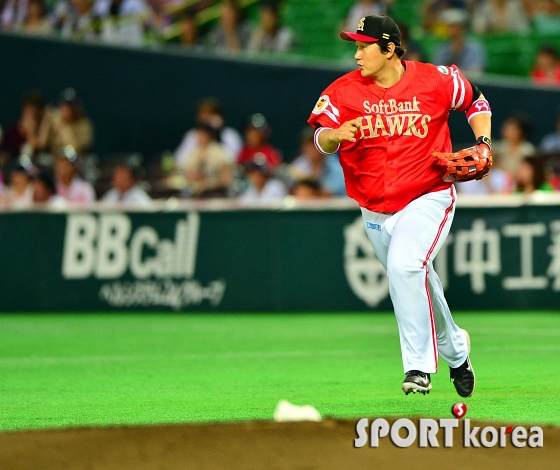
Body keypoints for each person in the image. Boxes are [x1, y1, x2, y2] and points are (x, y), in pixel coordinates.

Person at [308, 15, 492, 397]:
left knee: (405, 266)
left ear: (389, 48)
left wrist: (484, 142)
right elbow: (320, 136)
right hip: (374, 208)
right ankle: (456, 350)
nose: (356, 54)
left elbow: (476, 100)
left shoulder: (435, 79)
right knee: (418, 278)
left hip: (428, 194)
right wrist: (334, 136)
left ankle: (418, 368)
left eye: (364, 46)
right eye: (355, 46)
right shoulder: (343, 92)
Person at [174, 98, 243, 167]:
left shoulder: (230, 134)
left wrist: (216, 134)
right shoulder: (192, 134)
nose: (206, 117)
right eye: (203, 113)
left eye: (211, 113)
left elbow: (233, 160)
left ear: (219, 116)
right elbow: (179, 160)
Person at [289, 127, 346, 196]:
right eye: (307, 145)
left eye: (314, 145)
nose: (311, 150)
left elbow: (336, 194)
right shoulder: (297, 165)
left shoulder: (338, 169)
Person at [38, 88, 94, 157]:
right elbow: (42, 144)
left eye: (71, 105)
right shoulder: (55, 119)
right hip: (55, 161)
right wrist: (46, 122)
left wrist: (62, 126)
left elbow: (76, 149)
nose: (67, 109)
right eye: (64, 105)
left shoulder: (84, 124)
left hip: (76, 163)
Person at [182, 122, 232, 198]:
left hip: (217, 194)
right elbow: (187, 173)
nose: (199, 137)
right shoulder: (195, 152)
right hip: (196, 195)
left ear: (209, 135)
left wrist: (208, 181)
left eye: (202, 134)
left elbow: (226, 180)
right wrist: (192, 175)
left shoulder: (219, 152)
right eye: (198, 135)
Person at [433, 9, 487, 77]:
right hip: (448, 84)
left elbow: (477, 73)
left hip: (469, 84)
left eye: (455, 26)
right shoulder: (442, 48)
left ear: (463, 28)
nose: (452, 30)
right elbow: (437, 71)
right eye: (450, 27)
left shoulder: (475, 48)